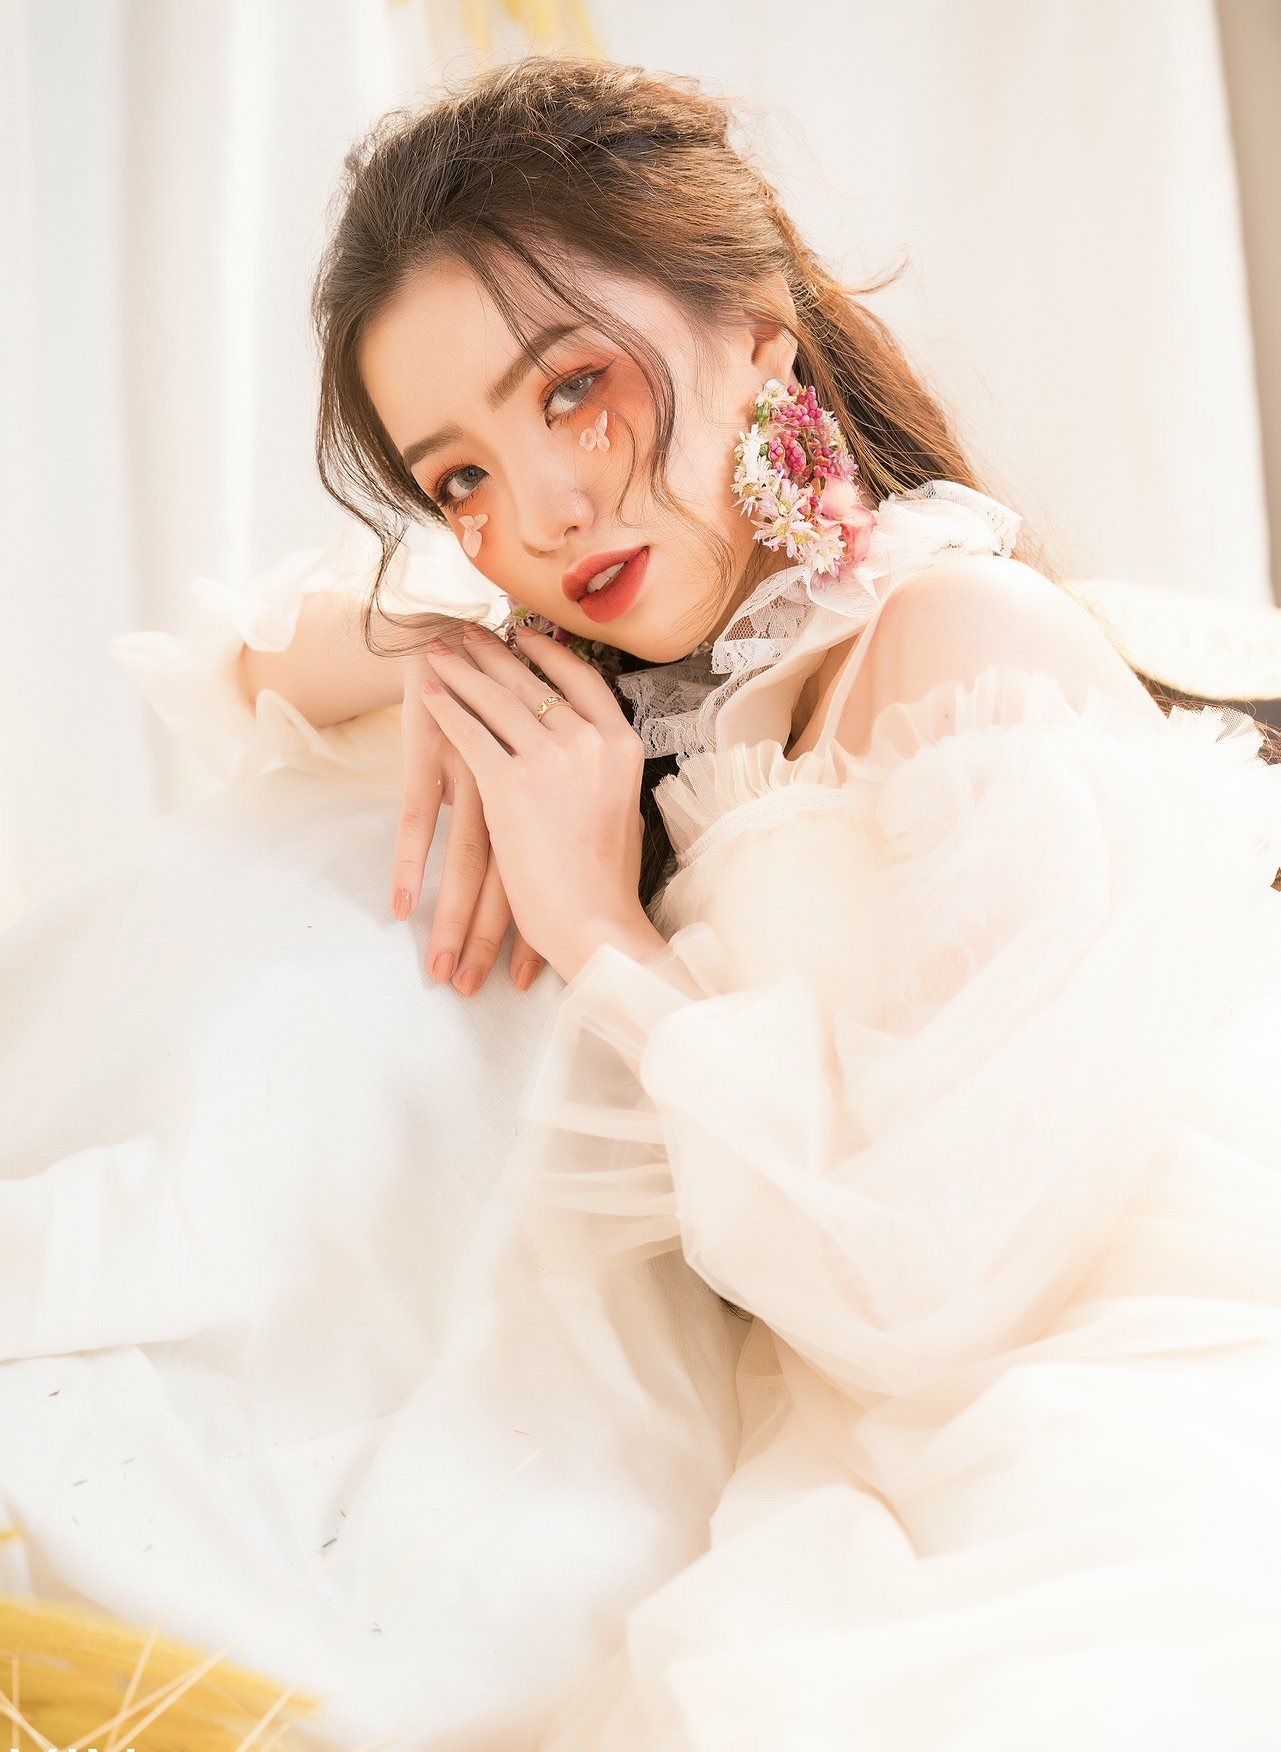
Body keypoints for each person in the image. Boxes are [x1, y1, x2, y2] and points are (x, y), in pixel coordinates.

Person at [3, 48, 1280, 1752]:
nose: (540, 511)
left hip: (1102, 1414)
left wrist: (596, 923)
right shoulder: (686, 688)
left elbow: (926, 1294)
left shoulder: (963, 643)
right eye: (456, 478)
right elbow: (240, 668)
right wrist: (449, 641)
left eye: (572, 390)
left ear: (759, 332)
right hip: (855, 1438)